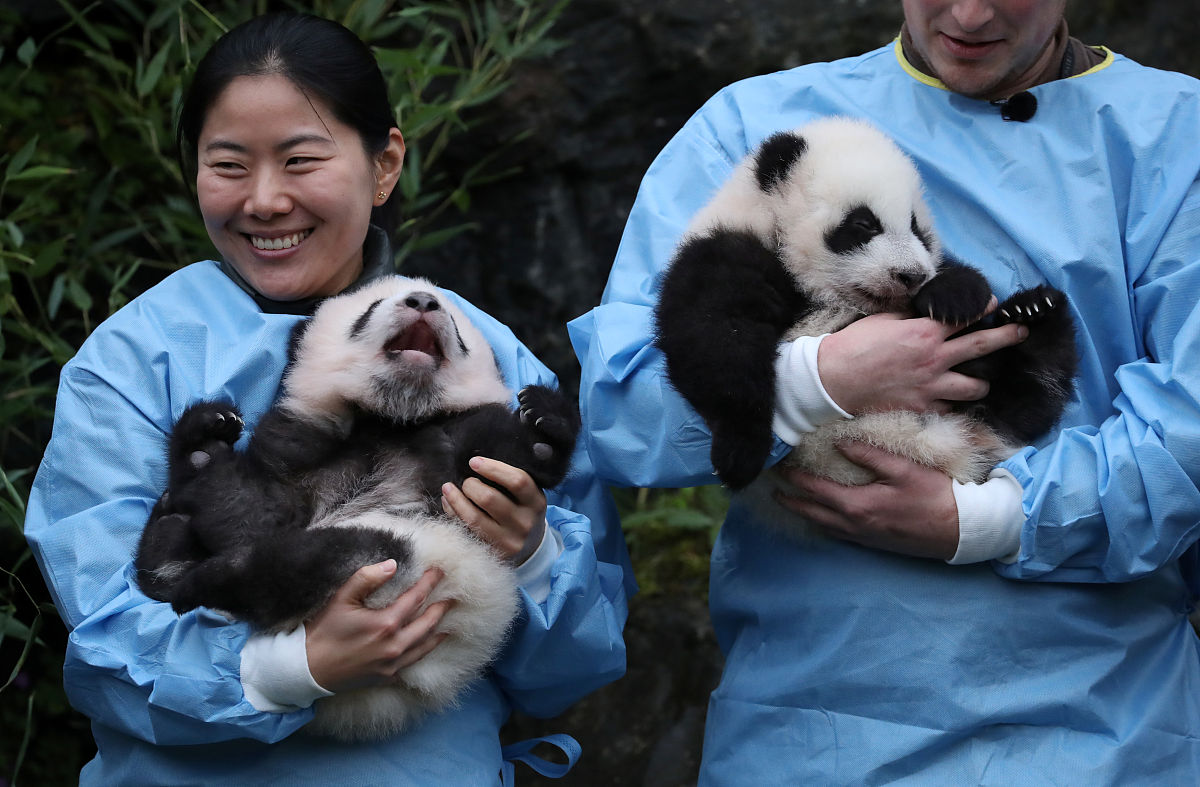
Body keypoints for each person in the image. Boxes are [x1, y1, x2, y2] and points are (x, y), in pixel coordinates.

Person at [570, 0, 1200, 782]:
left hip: (1104, 732)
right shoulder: (757, 126)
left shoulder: (1177, 140)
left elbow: (1191, 424)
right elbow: (623, 407)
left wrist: (991, 518)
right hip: (815, 732)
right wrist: (820, 379)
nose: (969, 12)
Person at [23, 12, 631, 785]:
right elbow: (107, 639)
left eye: (301, 159)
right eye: (229, 164)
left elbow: (579, 657)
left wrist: (534, 553)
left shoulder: (483, 351)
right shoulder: (131, 359)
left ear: (384, 165)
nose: (266, 200)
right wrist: (292, 666)